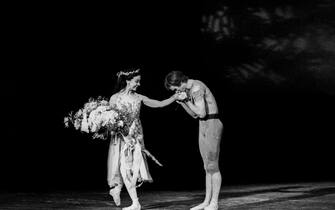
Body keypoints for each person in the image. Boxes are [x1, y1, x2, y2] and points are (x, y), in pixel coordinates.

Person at [108, 68, 178, 210]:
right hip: (121, 138)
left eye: (139, 81)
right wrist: (116, 130)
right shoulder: (115, 98)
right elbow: (110, 120)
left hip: (135, 137)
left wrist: (174, 98)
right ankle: (133, 200)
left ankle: (120, 191)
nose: (138, 84)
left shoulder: (139, 97)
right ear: (128, 81)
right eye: (136, 81)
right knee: (123, 168)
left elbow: (158, 103)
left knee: (132, 169)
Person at [165, 71, 223, 210]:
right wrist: (183, 103)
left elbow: (202, 112)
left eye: (175, 89)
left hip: (212, 123)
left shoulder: (196, 87)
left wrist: (185, 100)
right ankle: (206, 201)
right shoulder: (189, 90)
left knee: (213, 166)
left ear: (178, 82)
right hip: (203, 124)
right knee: (207, 166)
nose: (177, 91)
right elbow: (194, 115)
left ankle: (214, 203)